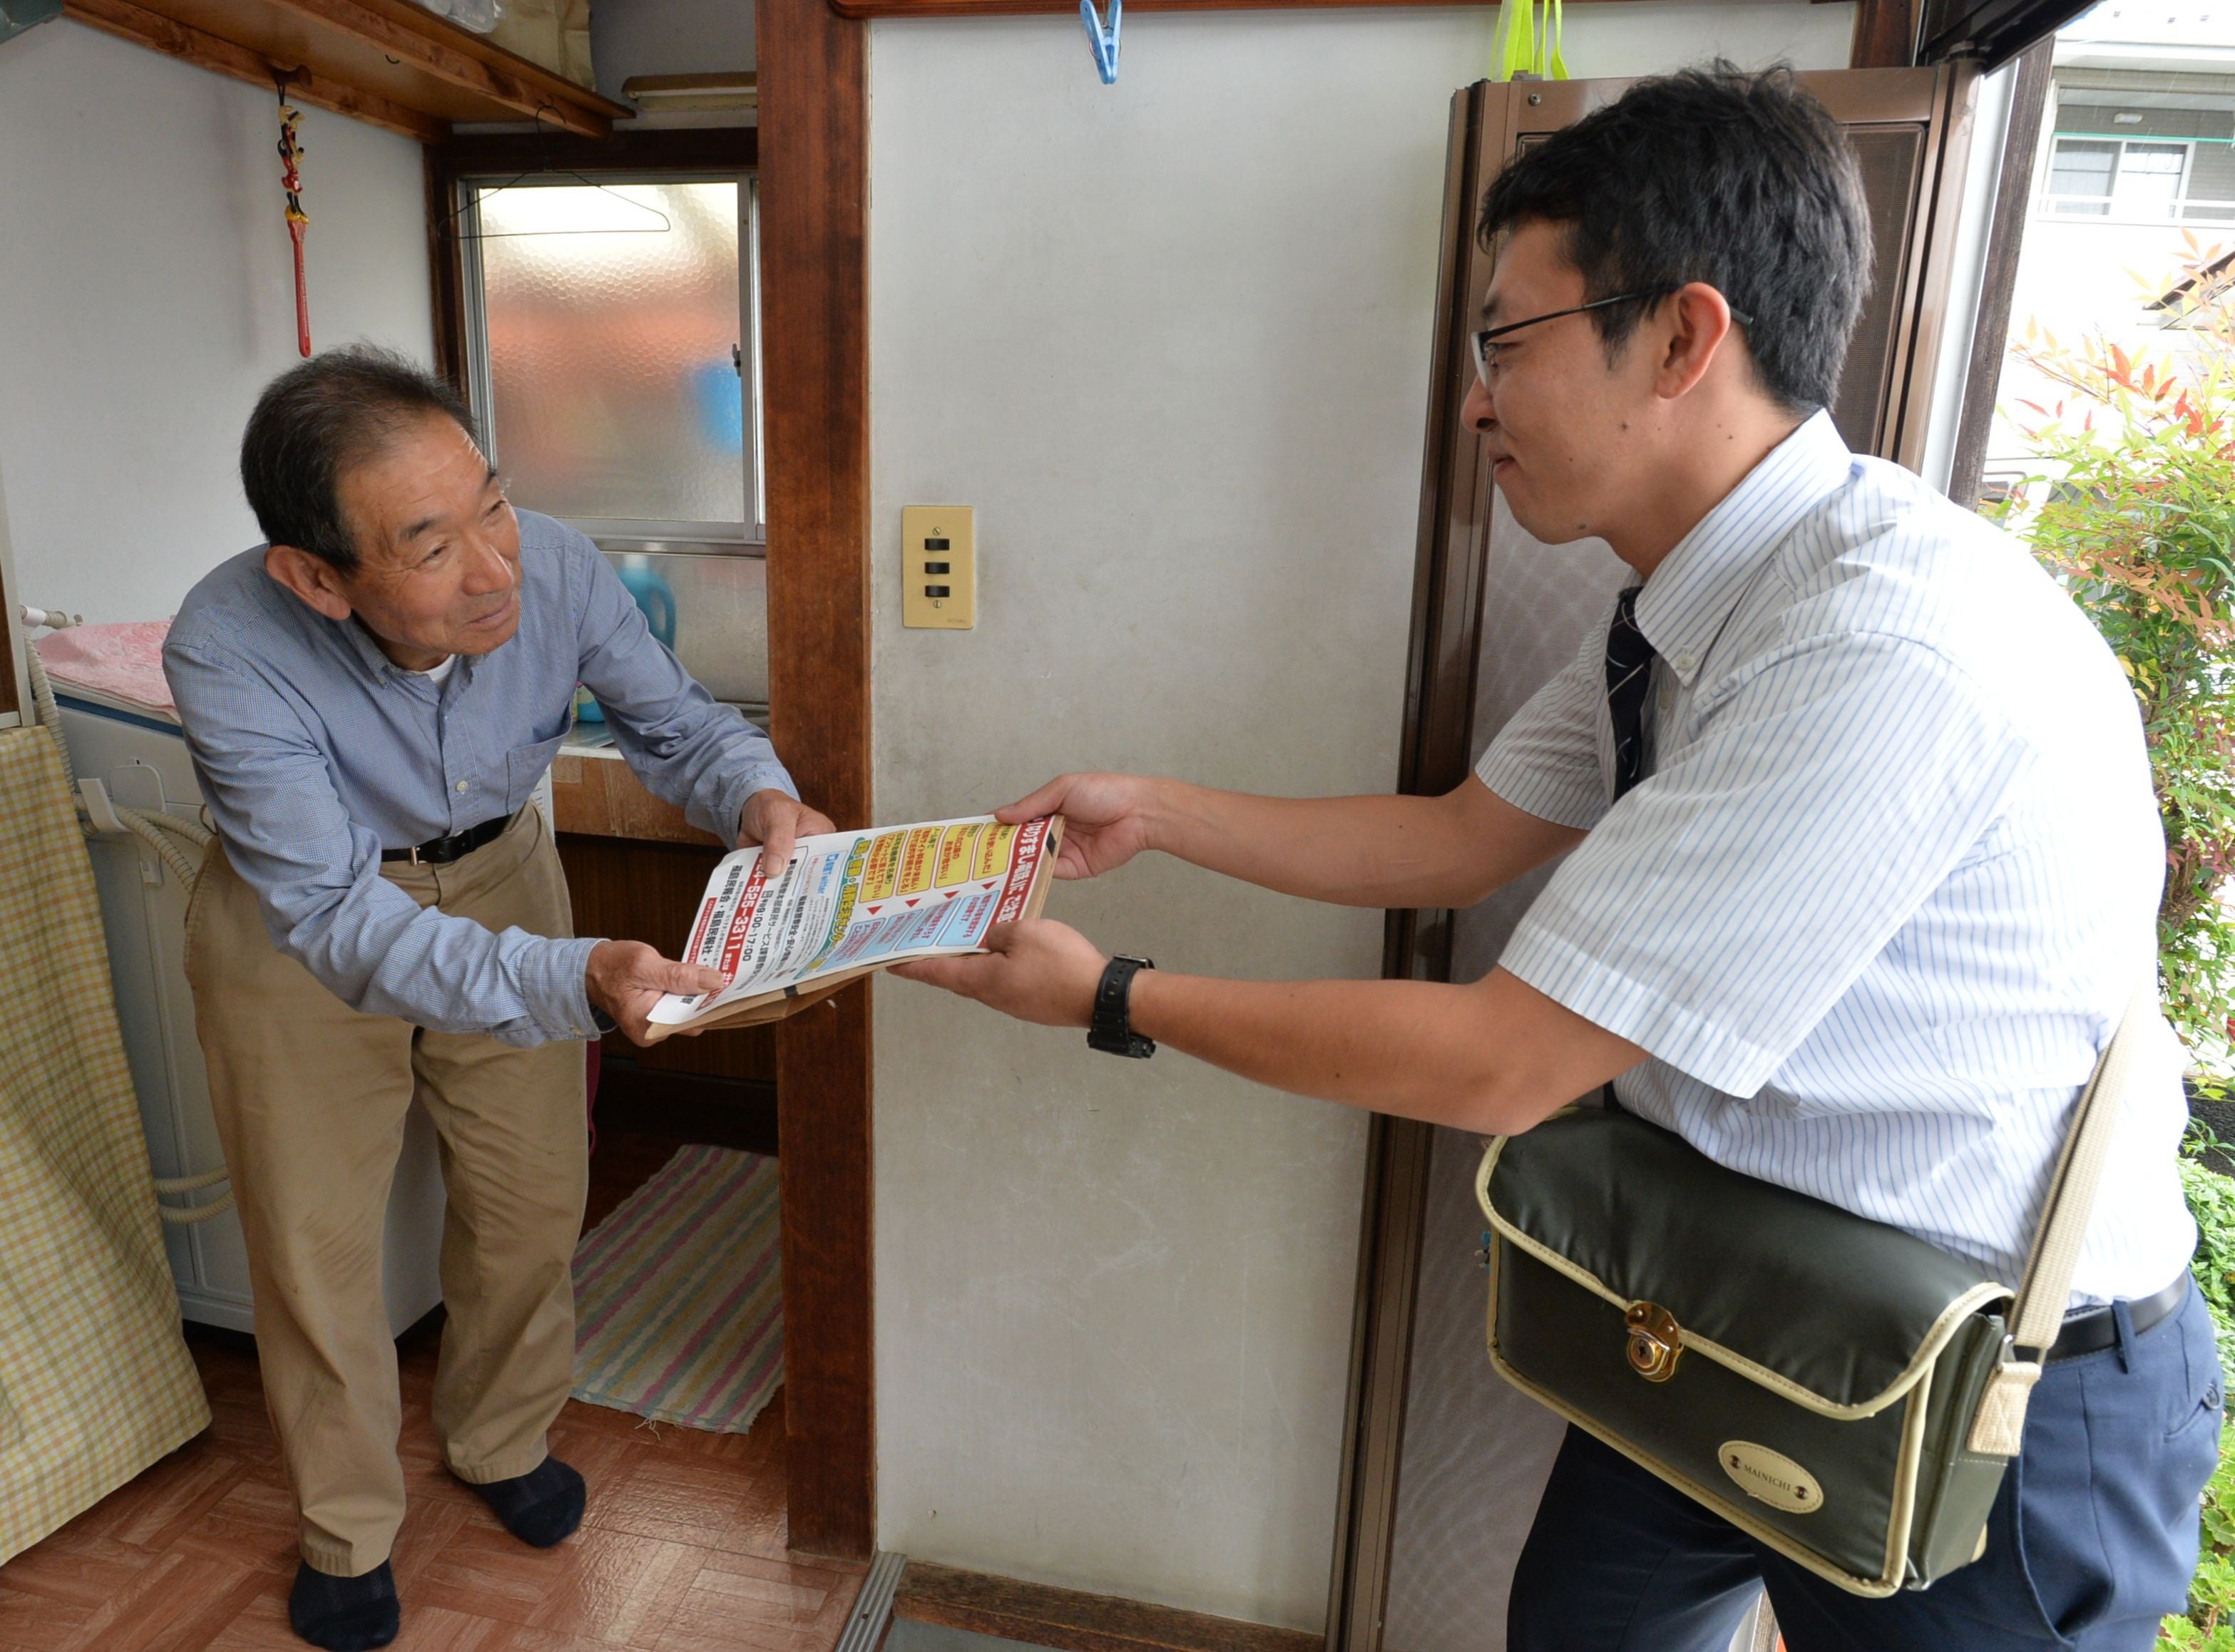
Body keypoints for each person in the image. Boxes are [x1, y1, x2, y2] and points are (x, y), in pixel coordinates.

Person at [899, 65, 2220, 1651]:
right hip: (1739, 1289)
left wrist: (1111, 994)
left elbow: (1500, 1063)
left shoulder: (1878, 646)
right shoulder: (1687, 602)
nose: (1472, 397)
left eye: (1503, 343)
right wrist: (1157, 811)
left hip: (1998, 1392)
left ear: (1681, 336)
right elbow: (1460, 839)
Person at [164, 347, 832, 1652]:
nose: (494, 566)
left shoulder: (561, 564)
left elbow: (679, 729)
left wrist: (758, 795)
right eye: (428, 545)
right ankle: (348, 1525)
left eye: (493, 503)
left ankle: (500, 1434)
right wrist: (577, 978)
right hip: (300, 921)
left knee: (531, 1194)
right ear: (315, 576)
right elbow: (341, 919)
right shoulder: (227, 645)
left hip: (504, 875)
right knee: (316, 1244)